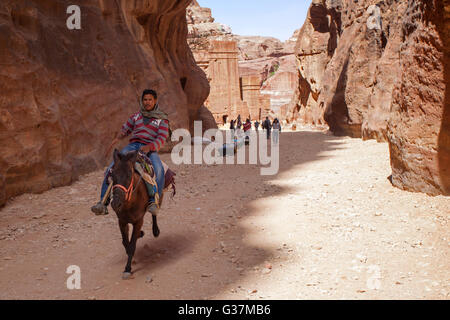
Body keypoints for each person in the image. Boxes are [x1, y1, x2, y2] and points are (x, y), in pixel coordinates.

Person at [91, 89, 169, 216]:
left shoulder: (162, 119)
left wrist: (149, 147)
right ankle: (102, 202)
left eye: (150, 99)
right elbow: (126, 129)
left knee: (159, 169)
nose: (147, 102)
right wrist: (118, 138)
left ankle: (153, 202)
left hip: (149, 148)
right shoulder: (136, 116)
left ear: (155, 101)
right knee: (112, 168)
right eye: (145, 100)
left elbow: (161, 138)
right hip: (133, 146)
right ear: (142, 101)